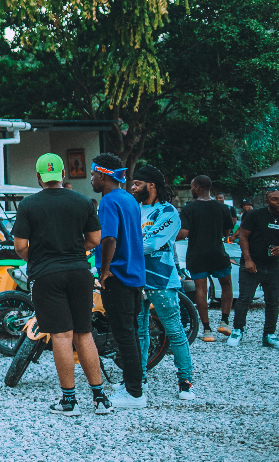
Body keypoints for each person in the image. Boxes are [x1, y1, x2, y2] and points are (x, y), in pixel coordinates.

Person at [12, 153, 109, 416]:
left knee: (62, 336)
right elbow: (95, 239)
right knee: (84, 333)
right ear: (63, 174)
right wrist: (74, 250)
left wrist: (41, 257)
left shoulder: (28, 205)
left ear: (38, 176)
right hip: (79, 271)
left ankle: (69, 401)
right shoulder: (82, 201)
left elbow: (20, 246)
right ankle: (100, 398)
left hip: (47, 276)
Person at [130, 166, 195, 399]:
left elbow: (151, 244)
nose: (133, 187)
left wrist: (123, 248)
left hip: (162, 279)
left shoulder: (168, 212)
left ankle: (185, 381)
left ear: (152, 185)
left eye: (137, 183)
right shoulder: (134, 209)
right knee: (139, 332)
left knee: (174, 330)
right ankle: (140, 378)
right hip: (135, 279)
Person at [90, 152, 147, 409]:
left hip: (118, 276)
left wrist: (104, 271)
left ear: (103, 176)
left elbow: (109, 238)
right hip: (135, 275)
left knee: (123, 334)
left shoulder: (109, 201)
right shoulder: (129, 199)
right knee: (131, 332)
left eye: (93, 174)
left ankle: (134, 394)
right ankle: (134, 383)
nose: (91, 179)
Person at [178, 175, 235, 341]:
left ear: (197, 188)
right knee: (226, 285)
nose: (191, 189)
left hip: (196, 254)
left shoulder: (189, 209)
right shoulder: (223, 208)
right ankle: (224, 321)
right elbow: (226, 232)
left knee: (201, 290)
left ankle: (207, 330)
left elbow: (184, 233)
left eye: (191, 187)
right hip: (218, 252)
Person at [228, 188, 279, 348]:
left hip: (274, 266)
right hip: (252, 264)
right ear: (267, 201)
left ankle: (269, 334)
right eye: (274, 199)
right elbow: (243, 236)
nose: (278, 202)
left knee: (273, 301)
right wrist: (248, 260)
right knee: (245, 299)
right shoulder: (255, 215)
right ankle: (237, 330)